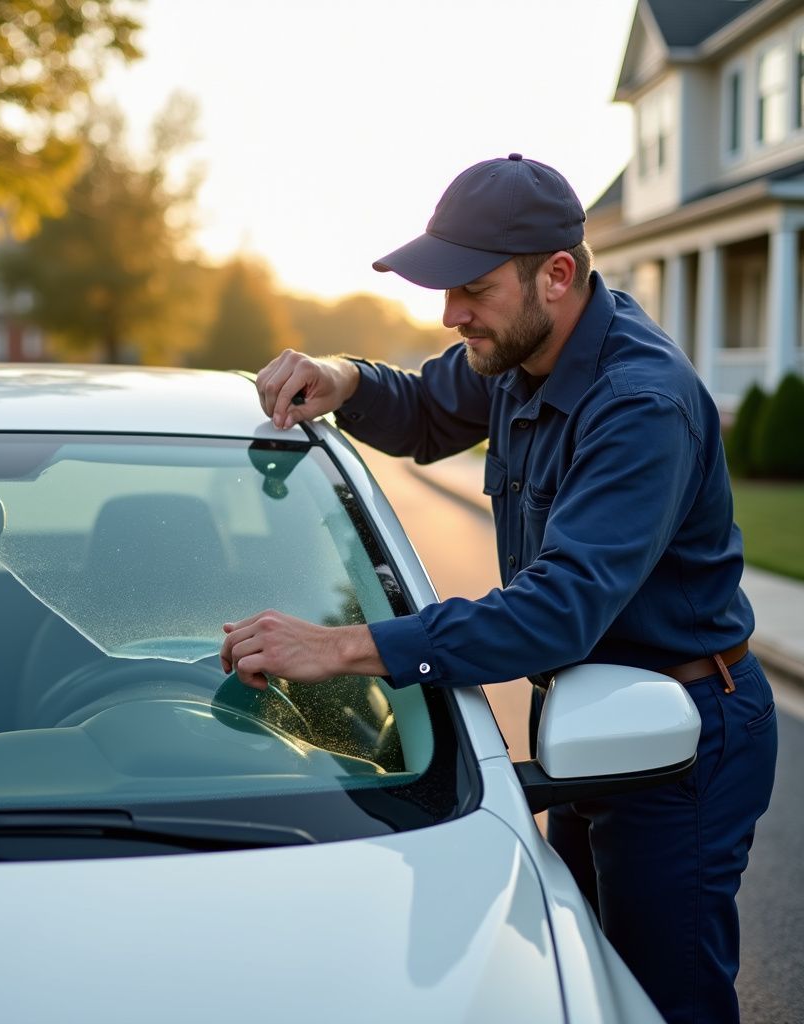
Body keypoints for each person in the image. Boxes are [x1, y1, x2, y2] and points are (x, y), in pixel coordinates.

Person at [219, 154, 778, 1024]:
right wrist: (342, 375)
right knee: (593, 984)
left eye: (471, 289)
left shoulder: (639, 405)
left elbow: (557, 612)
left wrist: (343, 647)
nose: (451, 316)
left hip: (681, 739)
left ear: (556, 276)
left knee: (666, 1000)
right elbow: (422, 409)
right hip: (593, 723)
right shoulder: (520, 356)